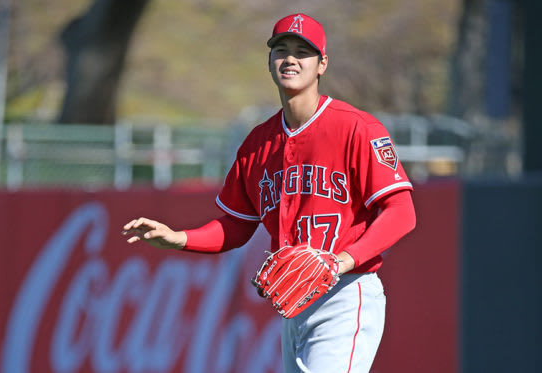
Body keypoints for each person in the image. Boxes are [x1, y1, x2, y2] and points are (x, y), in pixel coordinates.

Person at [122, 13, 416, 373]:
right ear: (270, 60)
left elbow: (402, 212)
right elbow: (236, 225)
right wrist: (179, 237)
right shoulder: (257, 144)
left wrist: (341, 261)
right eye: (281, 49)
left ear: (322, 64)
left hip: (345, 293)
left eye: (302, 51)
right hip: (293, 306)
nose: (290, 58)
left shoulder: (356, 128)